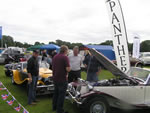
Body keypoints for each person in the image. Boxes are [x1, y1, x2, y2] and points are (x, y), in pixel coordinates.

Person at [52, 45, 70, 113]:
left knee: (56, 93)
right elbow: (68, 69)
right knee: (61, 95)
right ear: (65, 50)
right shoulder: (65, 57)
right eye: (67, 50)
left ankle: (54, 107)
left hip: (55, 77)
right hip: (62, 79)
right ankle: (60, 110)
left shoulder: (55, 56)